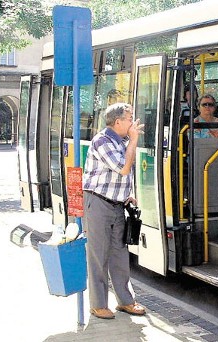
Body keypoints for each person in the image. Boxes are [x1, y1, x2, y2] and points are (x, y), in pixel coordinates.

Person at [82, 103, 146, 320]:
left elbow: (122, 176)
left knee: (120, 255)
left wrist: (127, 193)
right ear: (117, 122)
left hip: (117, 205)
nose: (132, 122)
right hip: (98, 204)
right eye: (129, 118)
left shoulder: (121, 142)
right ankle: (98, 304)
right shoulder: (102, 141)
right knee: (98, 256)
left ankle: (126, 301)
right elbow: (124, 167)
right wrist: (135, 141)